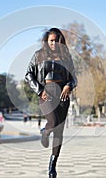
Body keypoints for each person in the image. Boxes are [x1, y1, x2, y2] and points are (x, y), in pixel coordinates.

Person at [25, 27, 77, 178]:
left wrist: (69, 85)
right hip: (46, 93)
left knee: (59, 131)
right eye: (51, 41)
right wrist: (40, 90)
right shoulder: (38, 55)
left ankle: (52, 165)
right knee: (53, 122)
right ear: (47, 41)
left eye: (57, 40)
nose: (54, 43)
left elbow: (73, 77)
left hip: (63, 94)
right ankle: (45, 131)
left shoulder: (66, 57)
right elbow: (28, 75)